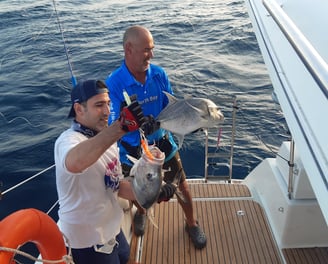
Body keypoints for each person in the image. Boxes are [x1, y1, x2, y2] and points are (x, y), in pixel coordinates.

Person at [105, 25, 207, 249]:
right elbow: (112, 121)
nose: (151, 55)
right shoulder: (114, 83)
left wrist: (190, 123)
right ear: (128, 49)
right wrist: (125, 119)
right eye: (146, 50)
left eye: (152, 49)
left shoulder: (159, 75)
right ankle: (141, 211)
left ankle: (192, 223)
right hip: (132, 151)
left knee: (182, 186)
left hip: (162, 143)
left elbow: (173, 108)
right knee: (137, 190)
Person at [55, 79, 147, 264]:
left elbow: (115, 185)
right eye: (99, 105)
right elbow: (76, 162)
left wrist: (150, 191)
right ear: (79, 109)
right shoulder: (67, 141)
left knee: (128, 259)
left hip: (112, 228)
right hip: (88, 243)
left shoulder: (107, 140)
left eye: (108, 104)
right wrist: (120, 127)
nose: (107, 112)